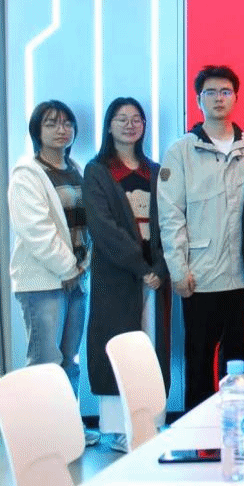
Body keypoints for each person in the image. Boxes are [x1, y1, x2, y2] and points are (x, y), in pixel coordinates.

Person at [159, 65, 244, 409]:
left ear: (235, 97)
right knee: (199, 357)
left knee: (239, 356)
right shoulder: (181, 151)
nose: (219, 98)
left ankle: (235, 419)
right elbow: (170, 214)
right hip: (200, 274)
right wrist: (178, 269)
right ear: (198, 100)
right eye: (211, 92)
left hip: (243, 275)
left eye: (225, 92)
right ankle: (197, 426)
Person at [83, 97, 169, 452]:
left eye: (136, 119)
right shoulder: (98, 171)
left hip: (155, 275)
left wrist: (159, 267)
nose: (130, 124)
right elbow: (103, 227)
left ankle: (151, 422)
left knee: (150, 347)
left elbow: (170, 222)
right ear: (109, 125)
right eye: (121, 118)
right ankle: (119, 429)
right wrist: (140, 266)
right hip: (117, 273)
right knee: (117, 346)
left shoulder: (156, 171)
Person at [8, 100, 95, 444]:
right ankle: (42, 437)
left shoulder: (76, 170)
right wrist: (67, 268)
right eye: (51, 123)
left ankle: (69, 429)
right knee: (45, 362)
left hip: (76, 278)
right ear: (37, 131)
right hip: (42, 282)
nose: (61, 130)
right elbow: (36, 230)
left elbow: (86, 227)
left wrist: (80, 268)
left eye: (67, 123)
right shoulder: (27, 174)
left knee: (69, 360)